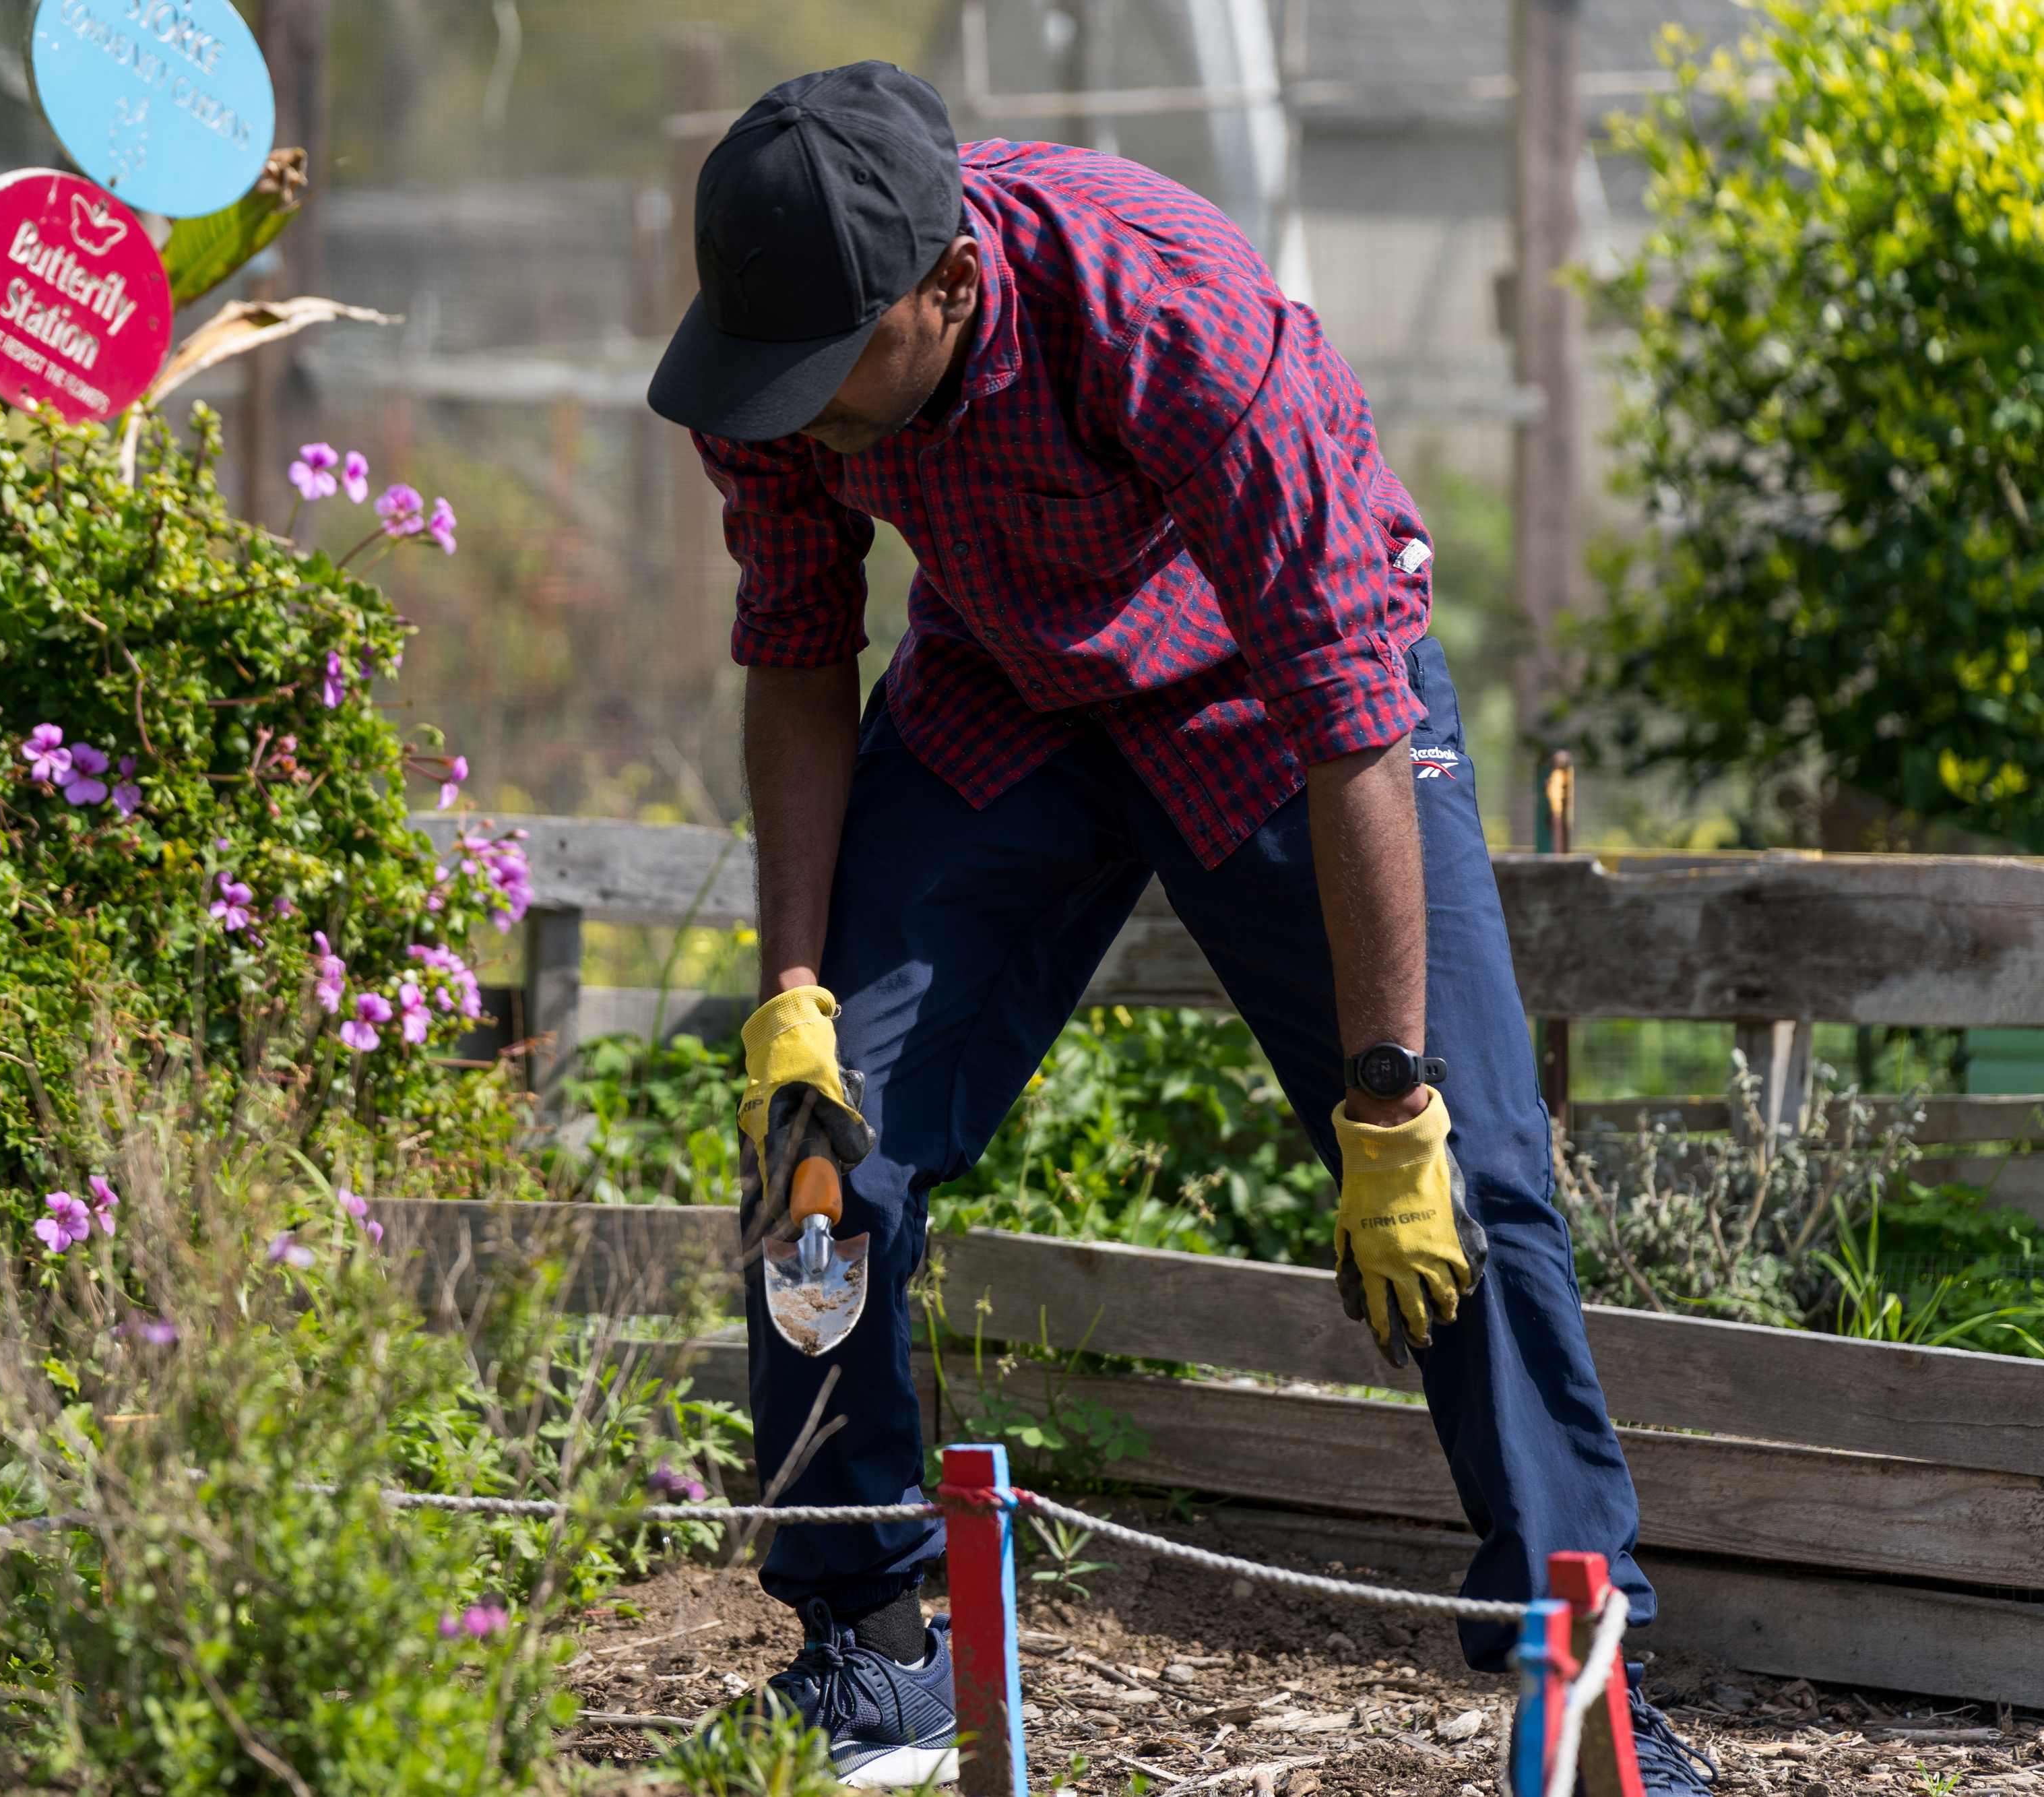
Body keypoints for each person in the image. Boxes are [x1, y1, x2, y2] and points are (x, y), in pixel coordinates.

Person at [644, 60, 1717, 1794]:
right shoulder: (774, 362)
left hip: (1269, 702)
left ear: (947, 286)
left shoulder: (1165, 306)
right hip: (1006, 695)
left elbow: (1354, 710)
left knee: (1478, 1175)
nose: (794, 416)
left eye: (828, 377)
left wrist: (1385, 1108)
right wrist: (790, 995)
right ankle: (871, 1647)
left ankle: (1577, 1680)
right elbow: (793, 642)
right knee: (816, 1143)